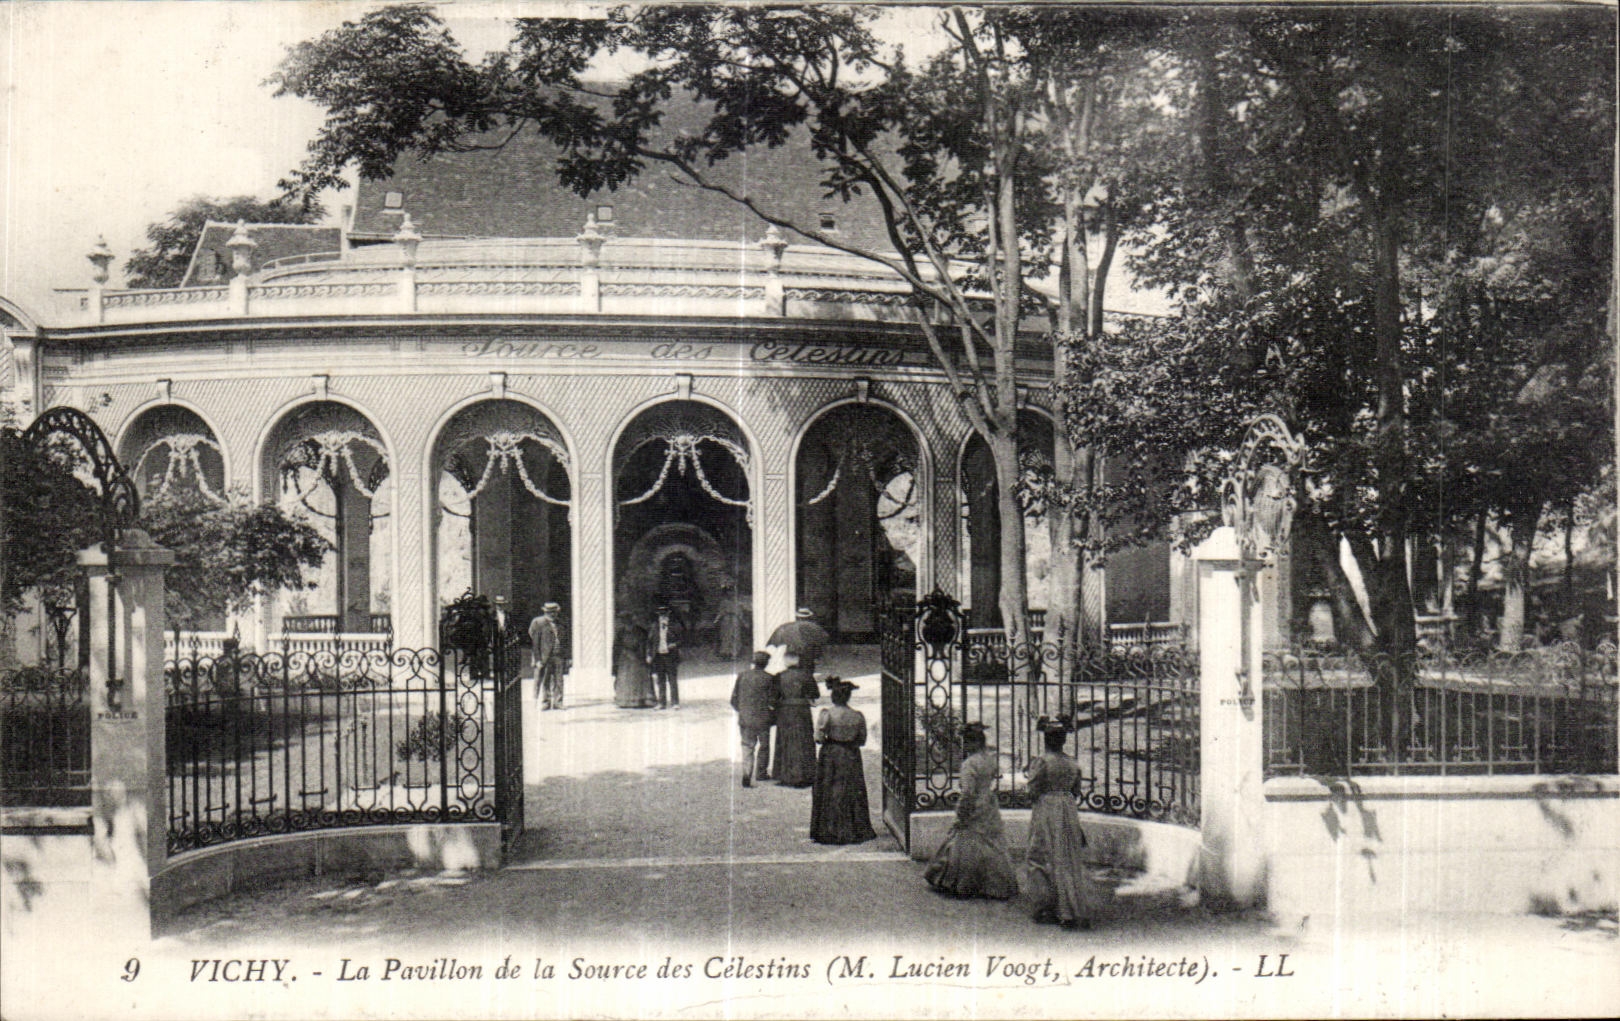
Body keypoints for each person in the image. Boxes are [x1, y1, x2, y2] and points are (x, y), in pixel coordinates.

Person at [1024, 718, 1110, 930]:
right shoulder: (1072, 763)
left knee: (1040, 855)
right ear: (1062, 741)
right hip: (1068, 809)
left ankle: (1046, 906)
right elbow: (1076, 790)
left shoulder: (1042, 762)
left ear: (1046, 740)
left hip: (1047, 808)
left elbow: (1032, 790)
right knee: (1066, 858)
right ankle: (1070, 908)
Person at [923, 722, 1019, 899]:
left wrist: (962, 812)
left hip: (975, 803)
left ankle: (964, 882)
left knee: (965, 840)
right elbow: (993, 776)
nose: (963, 746)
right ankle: (996, 883)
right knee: (990, 843)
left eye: (966, 742)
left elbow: (968, 792)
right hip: (989, 803)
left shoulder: (969, 764)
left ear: (973, 743)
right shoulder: (990, 759)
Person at [809, 677, 877, 844]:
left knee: (829, 790)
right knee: (851, 790)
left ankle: (829, 829)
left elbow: (818, 738)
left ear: (833, 697)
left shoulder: (826, 714)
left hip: (830, 755)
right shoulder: (857, 716)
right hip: (851, 755)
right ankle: (853, 828)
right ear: (848, 697)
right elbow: (862, 740)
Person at [730, 651, 777, 787]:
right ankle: (761, 773)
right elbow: (773, 700)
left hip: (745, 718)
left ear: (753, 662)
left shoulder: (742, 676)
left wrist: (742, 710)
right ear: (766, 663)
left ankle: (746, 773)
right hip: (763, 718)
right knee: (764, 746)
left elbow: (734, 699)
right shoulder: (770, 678)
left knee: (747, 746)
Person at [771, 660, 820, 787]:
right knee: (803, 741)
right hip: (802, 710)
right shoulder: (807, 675)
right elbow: (816, 694)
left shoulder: (779, 676)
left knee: (785, 741)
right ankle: (805, 775)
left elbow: (773, 696)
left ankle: (785, 776)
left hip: (785, 711)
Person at [645, 604, 685, 709]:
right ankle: (661, 702)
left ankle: (675, 702)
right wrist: (649, 655)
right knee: (660, 679)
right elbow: (649, 642)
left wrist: (674, 644)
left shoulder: (675, 626)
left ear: (668, 615)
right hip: (658, 656)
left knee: (672, 679)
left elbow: (682, 639)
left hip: (670, 655)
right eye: (660, 615)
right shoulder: (654, 627)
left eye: (665, 615)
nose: (663, 617)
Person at [613, 611, 655, 708]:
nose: (627, 623)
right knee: (626, 678)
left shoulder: (640, 631)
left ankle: (642, 700)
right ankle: (625, 700)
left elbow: (645, 644)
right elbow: (616, 647)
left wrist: (644, 655)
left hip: (638, 658)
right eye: (624, 621)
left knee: (639, 677)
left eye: (628, 620)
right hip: (625, 660)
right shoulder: (620, 633)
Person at [530, 602, 563, 710]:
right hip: (545, 656)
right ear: (545, 612)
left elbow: (566, 640)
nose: (552, 614)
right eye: (550, 612)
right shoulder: (539, 623)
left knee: (559, 680)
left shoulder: (560, 623)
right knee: (545, 680)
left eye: (554, 612)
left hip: (558, 655)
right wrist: (538, 659)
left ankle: (558, 702)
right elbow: (535, 643)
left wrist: (568, 657)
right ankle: (546, 702)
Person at [709, 582, 748, 660]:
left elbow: (740, 613)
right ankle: (726, 653)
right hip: (726, 619)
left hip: (735, 619)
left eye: (733, 592)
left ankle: (734, 653)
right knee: (725, 636)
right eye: (729, 592)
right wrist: (716, 620)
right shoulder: (724, 602)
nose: (731, 594)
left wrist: (744, 622)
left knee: (735, 636)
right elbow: (721, 612)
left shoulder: (738, 602)